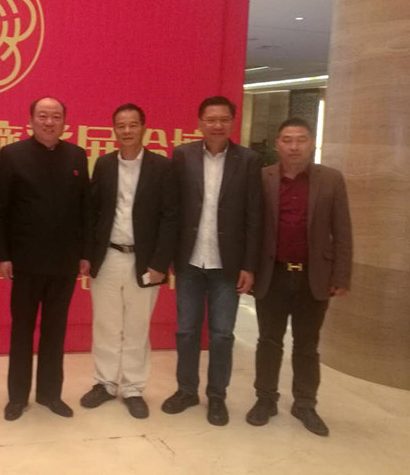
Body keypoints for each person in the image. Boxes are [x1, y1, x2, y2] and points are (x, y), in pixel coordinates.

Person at [246, 117, 352, 436]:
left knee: (307, 344)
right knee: (268, 341)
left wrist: (341, 274)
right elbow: (250, 227)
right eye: (287, 140)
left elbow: (342, 230)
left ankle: (305, 403)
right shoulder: (261, 177)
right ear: (277, 144)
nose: (294, 147)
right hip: (273, 274)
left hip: (313, 275)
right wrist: (247, 268)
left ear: (311, 142)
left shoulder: (331, 179)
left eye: (301, 139)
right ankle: (265, 399)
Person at [161, 95, 262, 426]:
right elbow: (173, 208)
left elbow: (254, 217)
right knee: (186, 331)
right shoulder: (183, 155)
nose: (217, 125)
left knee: (221, 334)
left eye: (223, 119)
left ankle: (217, 396)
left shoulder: (248, 160)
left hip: (227, 264)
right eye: (210, 119)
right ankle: (186, 391)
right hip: (190, 260)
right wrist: (170, 255)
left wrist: (249, 265)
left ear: (232, 122)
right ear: (200, 123)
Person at [0, 97, 92, 421]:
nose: (49, 122)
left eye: (56, 117)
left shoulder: (77, 156)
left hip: (64, 263)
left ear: (65, 122)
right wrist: (2, 255)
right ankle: (17, 397)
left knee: (55, 331)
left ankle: (50, 394)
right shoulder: (12, 155)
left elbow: (85, 210)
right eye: (43, 116)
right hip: (25, 262)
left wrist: (85, 254)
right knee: (21, 331)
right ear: (31, 120)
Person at [80, 103, 178, 419]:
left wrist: (160, 263)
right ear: (114, 130)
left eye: (132, 125)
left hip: (145, 261)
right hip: (108, 256)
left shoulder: (162, 167)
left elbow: (170, 218)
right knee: (106, 325)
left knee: (137, 327)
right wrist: (87, 254)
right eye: (120, 125)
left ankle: (134, 388)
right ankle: (105, 383)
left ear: (143, 128)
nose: (126, 131)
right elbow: (93, 212)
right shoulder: (104, 165)